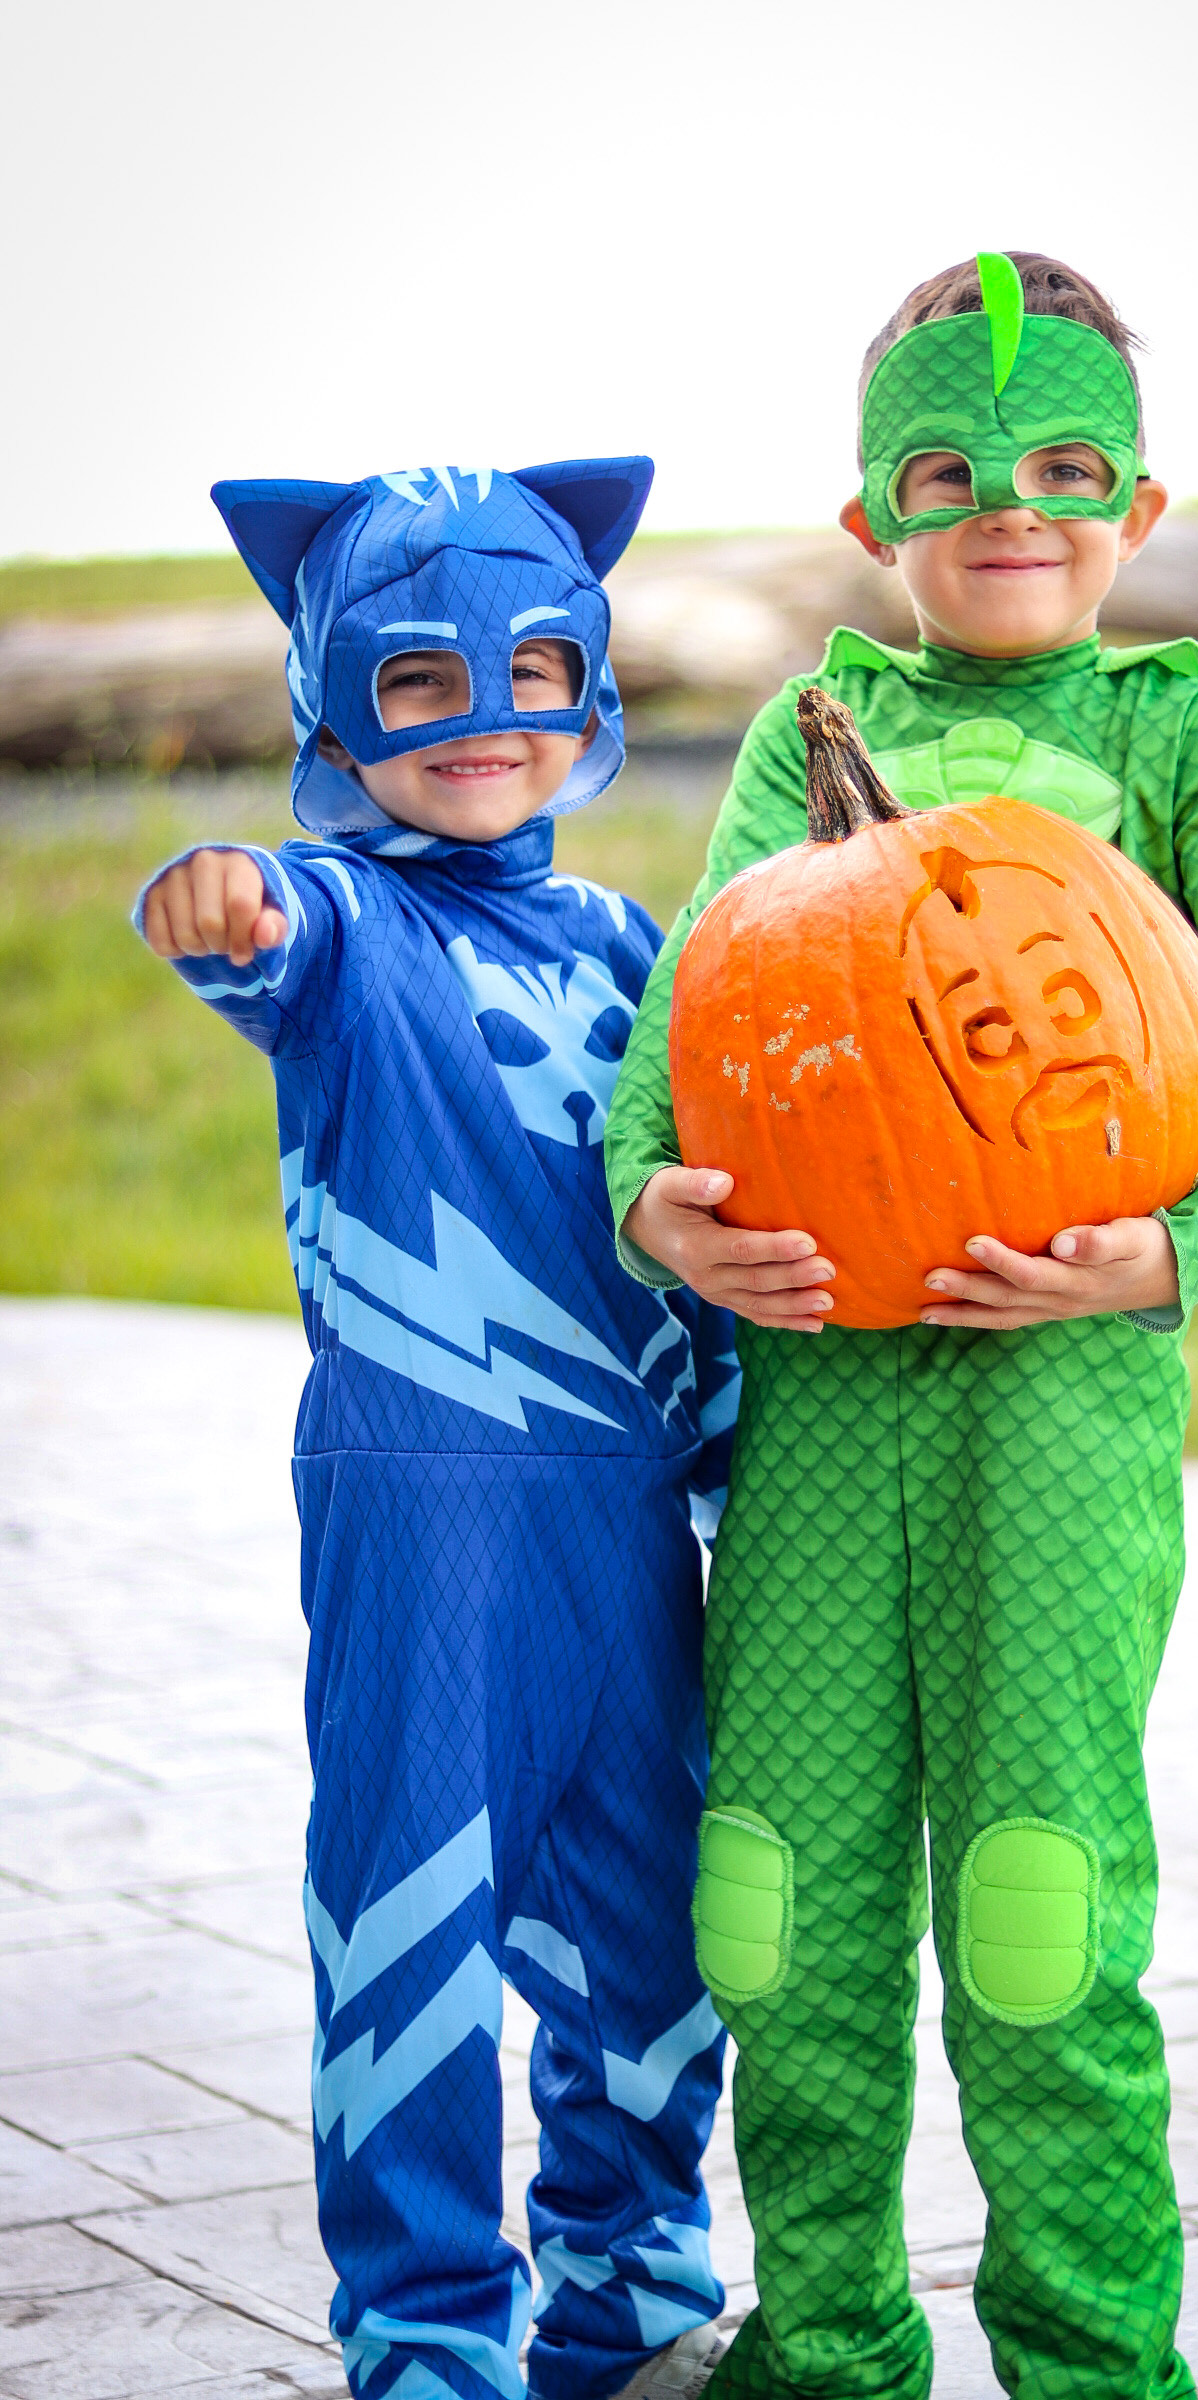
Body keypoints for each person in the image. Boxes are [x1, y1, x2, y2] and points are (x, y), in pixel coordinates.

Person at [604, 255, 1198, 2400]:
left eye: (1060, 468)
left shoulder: (1172, 725)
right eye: (945, 472)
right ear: (871, 521)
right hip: (827, 1403)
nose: (1005, 505)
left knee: (1033, 1917)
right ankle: (826, 2339)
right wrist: (652, 1200)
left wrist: (1176, 1238)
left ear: (1133, 501)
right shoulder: (809, 728)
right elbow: (703, 998)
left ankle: (1092, 2360)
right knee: (779, 1906)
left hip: (1057, 1411)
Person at [135, 459, 740, 2400]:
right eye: (416, 687)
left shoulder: (636, 942)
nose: (482, 723)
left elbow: (697, 1192)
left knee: (647, 1932)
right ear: (328, 709)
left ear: (589, 690)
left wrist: (733, 1437)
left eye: (530, 669)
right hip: (423, 1504)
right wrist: (214, 898)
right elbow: (254, 938)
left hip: (627, 1511)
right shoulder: (334, 922)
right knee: (409, 1923)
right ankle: (421, 2344)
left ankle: (628, 2309)